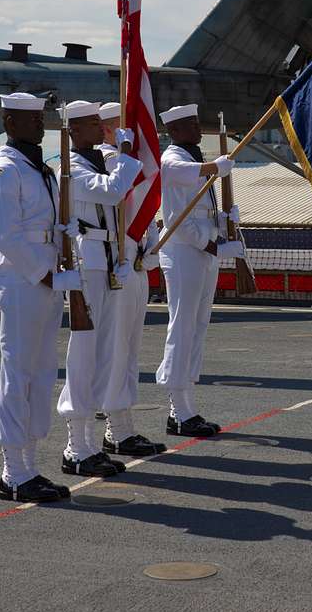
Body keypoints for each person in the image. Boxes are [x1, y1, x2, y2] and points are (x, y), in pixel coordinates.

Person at [0, 92, 79, 503]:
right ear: (8, 121)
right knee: (18, 372)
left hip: (47, 274)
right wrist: (42, 273)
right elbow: (5, 235)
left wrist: (63, 250)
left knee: (41, 371)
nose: (41, 125)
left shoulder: (42, 169)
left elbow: (49, 223)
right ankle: (13, 473)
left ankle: (30, 466)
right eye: (31, 119)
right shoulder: (3, 170)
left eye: (41, 118)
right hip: (22, 279)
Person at [56, 100, 145, 477]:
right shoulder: (72, 167)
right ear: (75, 130)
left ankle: (91, 444)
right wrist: (125, 153)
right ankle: (76, 445)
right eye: (93, 124)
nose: (102, 129)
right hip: (87, 263)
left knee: (105, 353)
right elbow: (112, 193)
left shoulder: (97, 162)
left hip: (107, 260)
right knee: (85, 354)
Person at [155, 103, 244, 437]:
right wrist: (213, 246)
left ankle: (186, 404)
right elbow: (180, 218)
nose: (197, 129)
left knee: (197, 326)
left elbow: (200, 211)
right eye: (191, 124)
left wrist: (223, 222)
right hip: (184, 253)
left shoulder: (192, 159)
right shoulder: (173, 159)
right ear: (175, 130)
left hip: (204, 251)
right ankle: (178, 410)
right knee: (182, 327)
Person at [94, 101, 166, 458]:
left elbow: (145, 211)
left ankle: (123, 428)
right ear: (108, 130)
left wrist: (150, 247)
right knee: (116, 351)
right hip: (114, 267)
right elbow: (116, 192)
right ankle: (115, 429)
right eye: (124, 128)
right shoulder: (105, 163)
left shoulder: (129, 164)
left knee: (131, 350)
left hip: (135, 264)